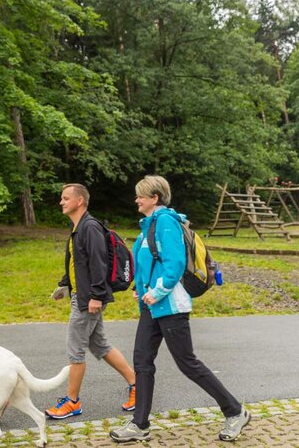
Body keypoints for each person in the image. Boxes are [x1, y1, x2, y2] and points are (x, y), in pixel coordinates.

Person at [110, 175, 250, 443]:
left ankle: (235, 411)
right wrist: (141, 291)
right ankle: (140, 424)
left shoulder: (165, 222)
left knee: (187, 363)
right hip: (151, 306)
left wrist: (157, 291)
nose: (136, 199)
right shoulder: (149, 225)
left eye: (141, 195)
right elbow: (149, 263)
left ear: (155, 198)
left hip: (170, 305)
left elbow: (173, 264)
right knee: (142, 362)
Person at [46, 183, 137, 419]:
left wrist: (97, 295)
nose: (61, 202)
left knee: (75, 351)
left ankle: (72, 402)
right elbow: (78, 263)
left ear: (80, 201)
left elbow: (99, 264)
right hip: (83, 295)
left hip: (89, 299)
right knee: (100, 345)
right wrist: (64, 285)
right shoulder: (77, 227)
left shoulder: (90, 227)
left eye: (66, 198)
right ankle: (138, 385)